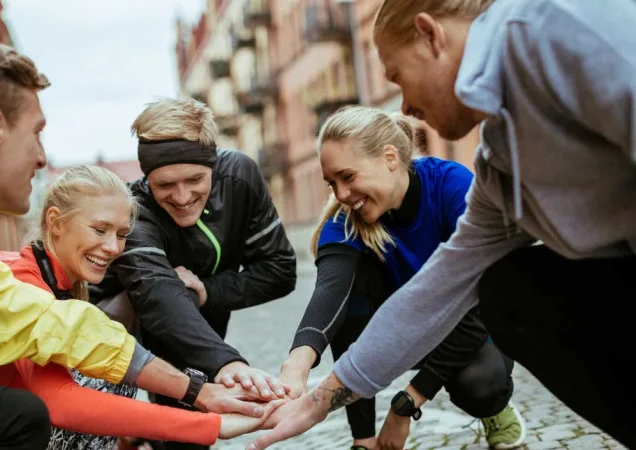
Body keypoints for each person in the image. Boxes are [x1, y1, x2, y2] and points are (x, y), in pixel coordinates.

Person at [0, 38, 268, 450]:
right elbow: (63, 399)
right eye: (36, 133)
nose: (43, 158)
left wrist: (200, 393)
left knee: (18, 415)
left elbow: (59, 327)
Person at [246, 0, 636, 449]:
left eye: (397, 78)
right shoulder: (499, 160)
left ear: (431, 36)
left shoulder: (556, 28)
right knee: (511, 289)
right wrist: (316, 400)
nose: (407, 108)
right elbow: (439, 289)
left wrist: (408, 399)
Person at [0, 164, 283, 450]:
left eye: (122, 234)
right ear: (55, 223)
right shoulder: (19, 277)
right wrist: (210, 424)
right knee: (107, 373)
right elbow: (60, 403)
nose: (113, 247)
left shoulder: (61, 282)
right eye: (99, 230)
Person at [278, 106, 525, 450]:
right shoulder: (348, 219)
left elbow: (484, 300)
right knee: (352, 289)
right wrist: (297, 361)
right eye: (332, 182)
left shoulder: (451, 186)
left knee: (481, 386)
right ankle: (362, 441)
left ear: (390, 157)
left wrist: (407, 403)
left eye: (348, 177)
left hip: (470, 325)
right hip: (402, 334)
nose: (341, 194)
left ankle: (494, 409)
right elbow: (330, 292)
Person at [93, 97, 298, 450]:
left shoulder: (239, 178)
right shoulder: (135, 212)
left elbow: (279, 270)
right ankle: (135, 426)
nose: (182, 196)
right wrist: (227, 363)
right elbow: (159, 298)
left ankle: (140, 432)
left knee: (194, 429)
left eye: (195, 179)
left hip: (200, 326)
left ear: (214, 166)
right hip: (124, 325)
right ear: (147, 178)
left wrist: (207, 289)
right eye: (165, 185)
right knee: (187, 433)